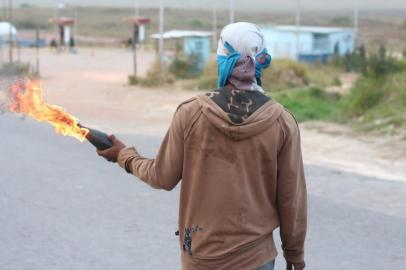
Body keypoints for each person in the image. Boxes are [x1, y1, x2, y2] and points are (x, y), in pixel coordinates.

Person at [97, 22, 307, 270]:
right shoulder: (282, 122)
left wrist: (124, 155)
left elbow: (161, 177)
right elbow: (291, 199)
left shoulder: (191, 113)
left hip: (201, 257)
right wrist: (294, 254)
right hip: (256, 258)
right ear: (260, 61)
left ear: (222, 60)